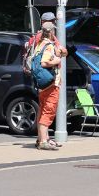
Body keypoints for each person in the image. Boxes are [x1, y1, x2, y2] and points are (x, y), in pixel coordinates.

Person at [32, 21, 67, 150]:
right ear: (52, 32)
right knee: (49, 111)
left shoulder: (39, 44)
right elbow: (44, 62)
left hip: (42, 84)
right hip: (51, 84)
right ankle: (43, 142)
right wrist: (56, 60)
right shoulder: (48, 46)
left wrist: (60, 53)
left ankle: (42, 139)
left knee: (42, 111)